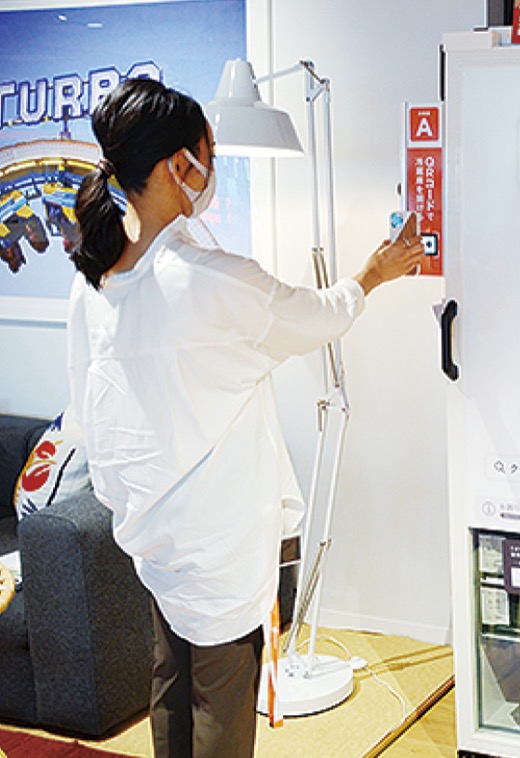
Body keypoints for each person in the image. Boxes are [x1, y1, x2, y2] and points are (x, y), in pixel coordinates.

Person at [65, 78, 424, 757]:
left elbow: (86, 408)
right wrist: (372, 274)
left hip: (151, 534)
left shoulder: (96, 279)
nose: (214, 169)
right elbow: (315, 318)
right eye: (211, 154)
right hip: (215, 542)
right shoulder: (209, 278)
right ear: (179, 165)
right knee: (222, 701)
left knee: (171, 678)